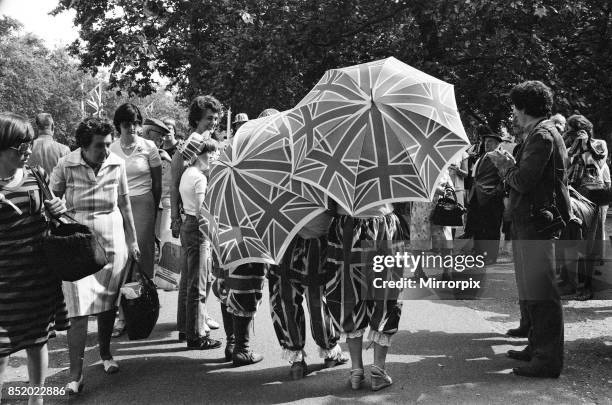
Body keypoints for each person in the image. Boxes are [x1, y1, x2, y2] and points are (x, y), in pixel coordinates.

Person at [50, 117, 140, 392]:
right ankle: (75, 376)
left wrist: (133, 240)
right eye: (100, 146)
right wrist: (53, 207)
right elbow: (52, 198)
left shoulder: (117, 163)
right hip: (77, 246)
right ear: (84, 146)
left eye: (108, 144)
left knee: (108, 305)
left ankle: (105, 354)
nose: (106, 151)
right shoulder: (67, 163)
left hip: (113, 242)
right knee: (77, 311)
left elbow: (124, 202)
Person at [489, 80, 570, 378]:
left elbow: (523, 181)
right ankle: (537, 347)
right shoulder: (541, 133)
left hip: (538, 223)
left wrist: (504, 166)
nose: (512, 112)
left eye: (514, 106)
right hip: (533, 221)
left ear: (523, 108)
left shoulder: (542, 136)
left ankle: (548, 359)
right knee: (534, 290)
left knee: (543, 293)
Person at [0, 112, 69, 405]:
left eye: (29, 144)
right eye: (21, 147)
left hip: (38, 277)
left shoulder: (35, 175)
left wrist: (58, 207)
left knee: (37, 341)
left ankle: (36, 400)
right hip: (3, 282)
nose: (27, 151)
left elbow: (54, 212)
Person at [324, 200, 406, 391]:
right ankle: (378, 370)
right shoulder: (389, 168)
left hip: (345, 227)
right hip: (385, 224)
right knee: (387, 297)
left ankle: (356, 370)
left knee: (349, 297)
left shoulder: (337, 169)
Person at [268, 213, 348, 379]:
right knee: (318, 301)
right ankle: (330, 353)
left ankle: (296, 361)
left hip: (285, 242)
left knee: (287, 302)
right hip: (317, 241)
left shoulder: (281, 185)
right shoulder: (325, 186)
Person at [172, 96, 223, 340]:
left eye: (215, 118)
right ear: (197, 119)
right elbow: (177, 177)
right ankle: (193, 328)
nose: (212, 122)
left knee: (194, 277)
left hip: (196, 213)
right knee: (196, 279)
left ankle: (188, 324)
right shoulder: (194, 142)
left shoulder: (210, 142)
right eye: (208, 118)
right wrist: (175, 214)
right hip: (196, 215)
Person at [109, 104, 162, 337]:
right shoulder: (111, 148)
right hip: (119, 206)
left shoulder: (149, 147)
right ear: (118, 125)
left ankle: (142, 309)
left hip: (144, 205)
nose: (131, 128)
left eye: (134, 123)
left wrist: (153, 209)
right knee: (121, 260)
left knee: (141, 259)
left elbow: (158, 184)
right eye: (126, 124)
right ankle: (122, 314)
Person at [564, 114, 609, 299]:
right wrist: (576, 146)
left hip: (593, 197)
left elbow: (599, 159)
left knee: (590, 243)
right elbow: (566, 162)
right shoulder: (571, 147)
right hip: (575, 194)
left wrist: (586, 143)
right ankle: (571, 283)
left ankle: (587, 287)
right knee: (573, 239)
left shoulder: (599, 144)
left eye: (572, 131)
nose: (570, 134)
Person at [465, 127, 505, 264]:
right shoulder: (483, 156)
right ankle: (479, 253)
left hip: (491, 198)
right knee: (479, 226)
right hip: (477, 197)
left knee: (491, 228)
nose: (487, 144)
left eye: (490, 142)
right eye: (486, 141)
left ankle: (490, 256)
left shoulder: (500, 157)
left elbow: (504, 178)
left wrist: (494, 192)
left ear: (497, 144)